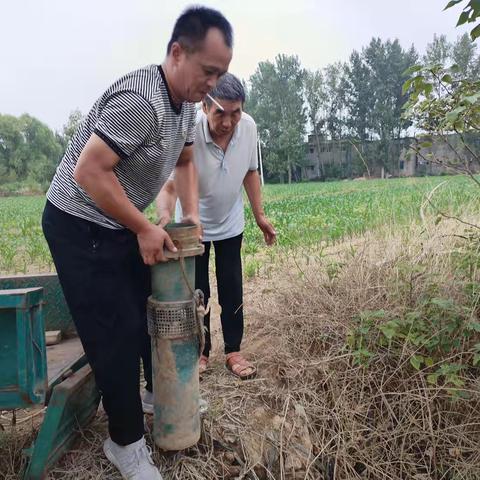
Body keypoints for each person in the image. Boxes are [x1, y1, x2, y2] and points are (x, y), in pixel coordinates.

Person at [41, 7, 232, 480]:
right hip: (77, 221)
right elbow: (89, 172)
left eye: (220, 74)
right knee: (116, 331)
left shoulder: (187, 105)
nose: (212, 84)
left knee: (146, 311)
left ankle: (154, 395)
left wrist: (189, 215)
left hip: (116, 220)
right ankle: (124, 442)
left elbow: (186, 162)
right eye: (208, 71)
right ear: (176, 52)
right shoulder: (142, 98)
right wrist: (144, 228)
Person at [156, 73, 276, 382]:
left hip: (230, 222)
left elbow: (250, 172)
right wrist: (164, 219)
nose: (228, 121)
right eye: (220, 112)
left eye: (235, 112)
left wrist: (259, 215)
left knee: (232, 286)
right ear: (205, 106)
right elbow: (168, 187)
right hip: (193, 226)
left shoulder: (247, 127)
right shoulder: (189, 130)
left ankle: (233, 351)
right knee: (199, 292)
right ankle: (202, 351)